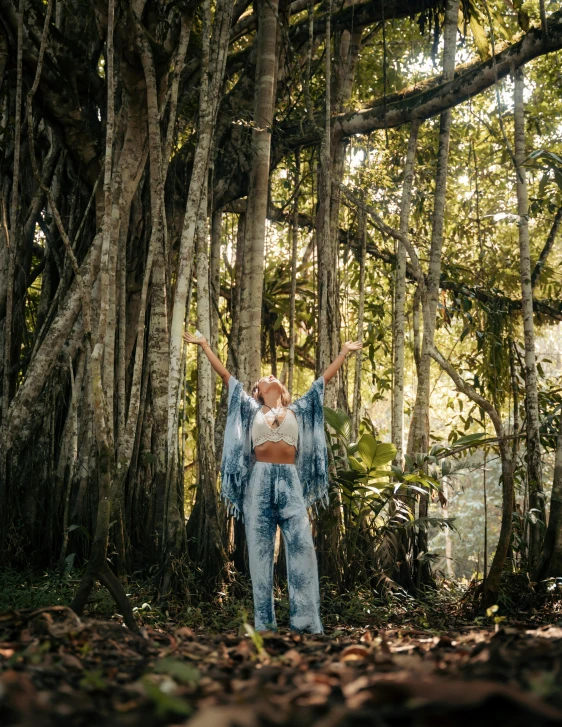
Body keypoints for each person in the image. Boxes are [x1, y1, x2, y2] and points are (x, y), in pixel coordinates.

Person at [183, 330, 362, 634]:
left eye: (273, 376)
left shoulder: (298, 409)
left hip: (290, 482)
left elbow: (322, 382)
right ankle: (264, 623)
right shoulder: (251, 408)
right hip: (259, 481)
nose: (269, 376)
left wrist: (343, 352)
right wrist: (203, 346)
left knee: (302, 547)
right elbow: (226, 377)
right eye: (264, 378)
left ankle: (305, 621)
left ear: (281, 389)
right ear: (258, 391)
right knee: (260, 553)